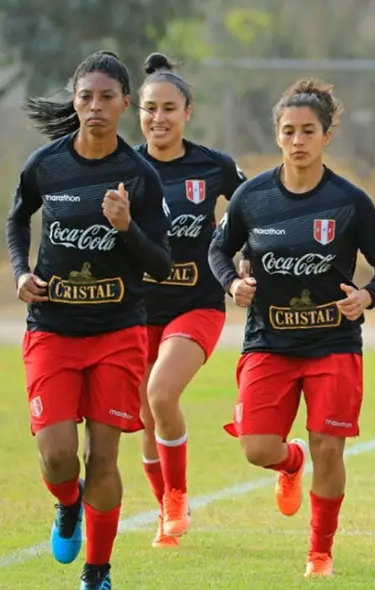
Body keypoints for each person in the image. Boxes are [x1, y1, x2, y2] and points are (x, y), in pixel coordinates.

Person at [208, 78, 375, 577]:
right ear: (278, 135)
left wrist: (367, 296)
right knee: (257, 449)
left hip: (333, 344)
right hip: (269, 342)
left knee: (329, 446)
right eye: (289, 130)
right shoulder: (252, 197)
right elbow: (217, 249)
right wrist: (233, 284)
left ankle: (320, 552)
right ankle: (289, 464)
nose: (298, 140)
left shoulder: (349, 201)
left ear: (325, 136)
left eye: (308, 131)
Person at [5, 50, 172, 590]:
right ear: (74, 103)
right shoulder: (45, 165)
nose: (95, 107)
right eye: (85, 97)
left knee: (103, 458)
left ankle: (97, 572)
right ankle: (67, 503)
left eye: (106, 97)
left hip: (117, 334)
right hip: (52, 330)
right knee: (57, 458)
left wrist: (126, 227)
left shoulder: (140, 175)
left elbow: (161, 264)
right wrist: (20, 271)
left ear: (126, 102)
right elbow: (16, 218)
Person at [133, 52, 247, 549]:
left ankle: (176, 498)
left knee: (162, 395)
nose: (159, 118)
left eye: (169, 109)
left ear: (187, 113)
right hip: (136, 309)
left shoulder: (213, 166)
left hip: (196, 303)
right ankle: (165, 514)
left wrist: (247, 257)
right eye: (150, 108)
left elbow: (259, 206)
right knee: (143, 415)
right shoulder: (124, 166)